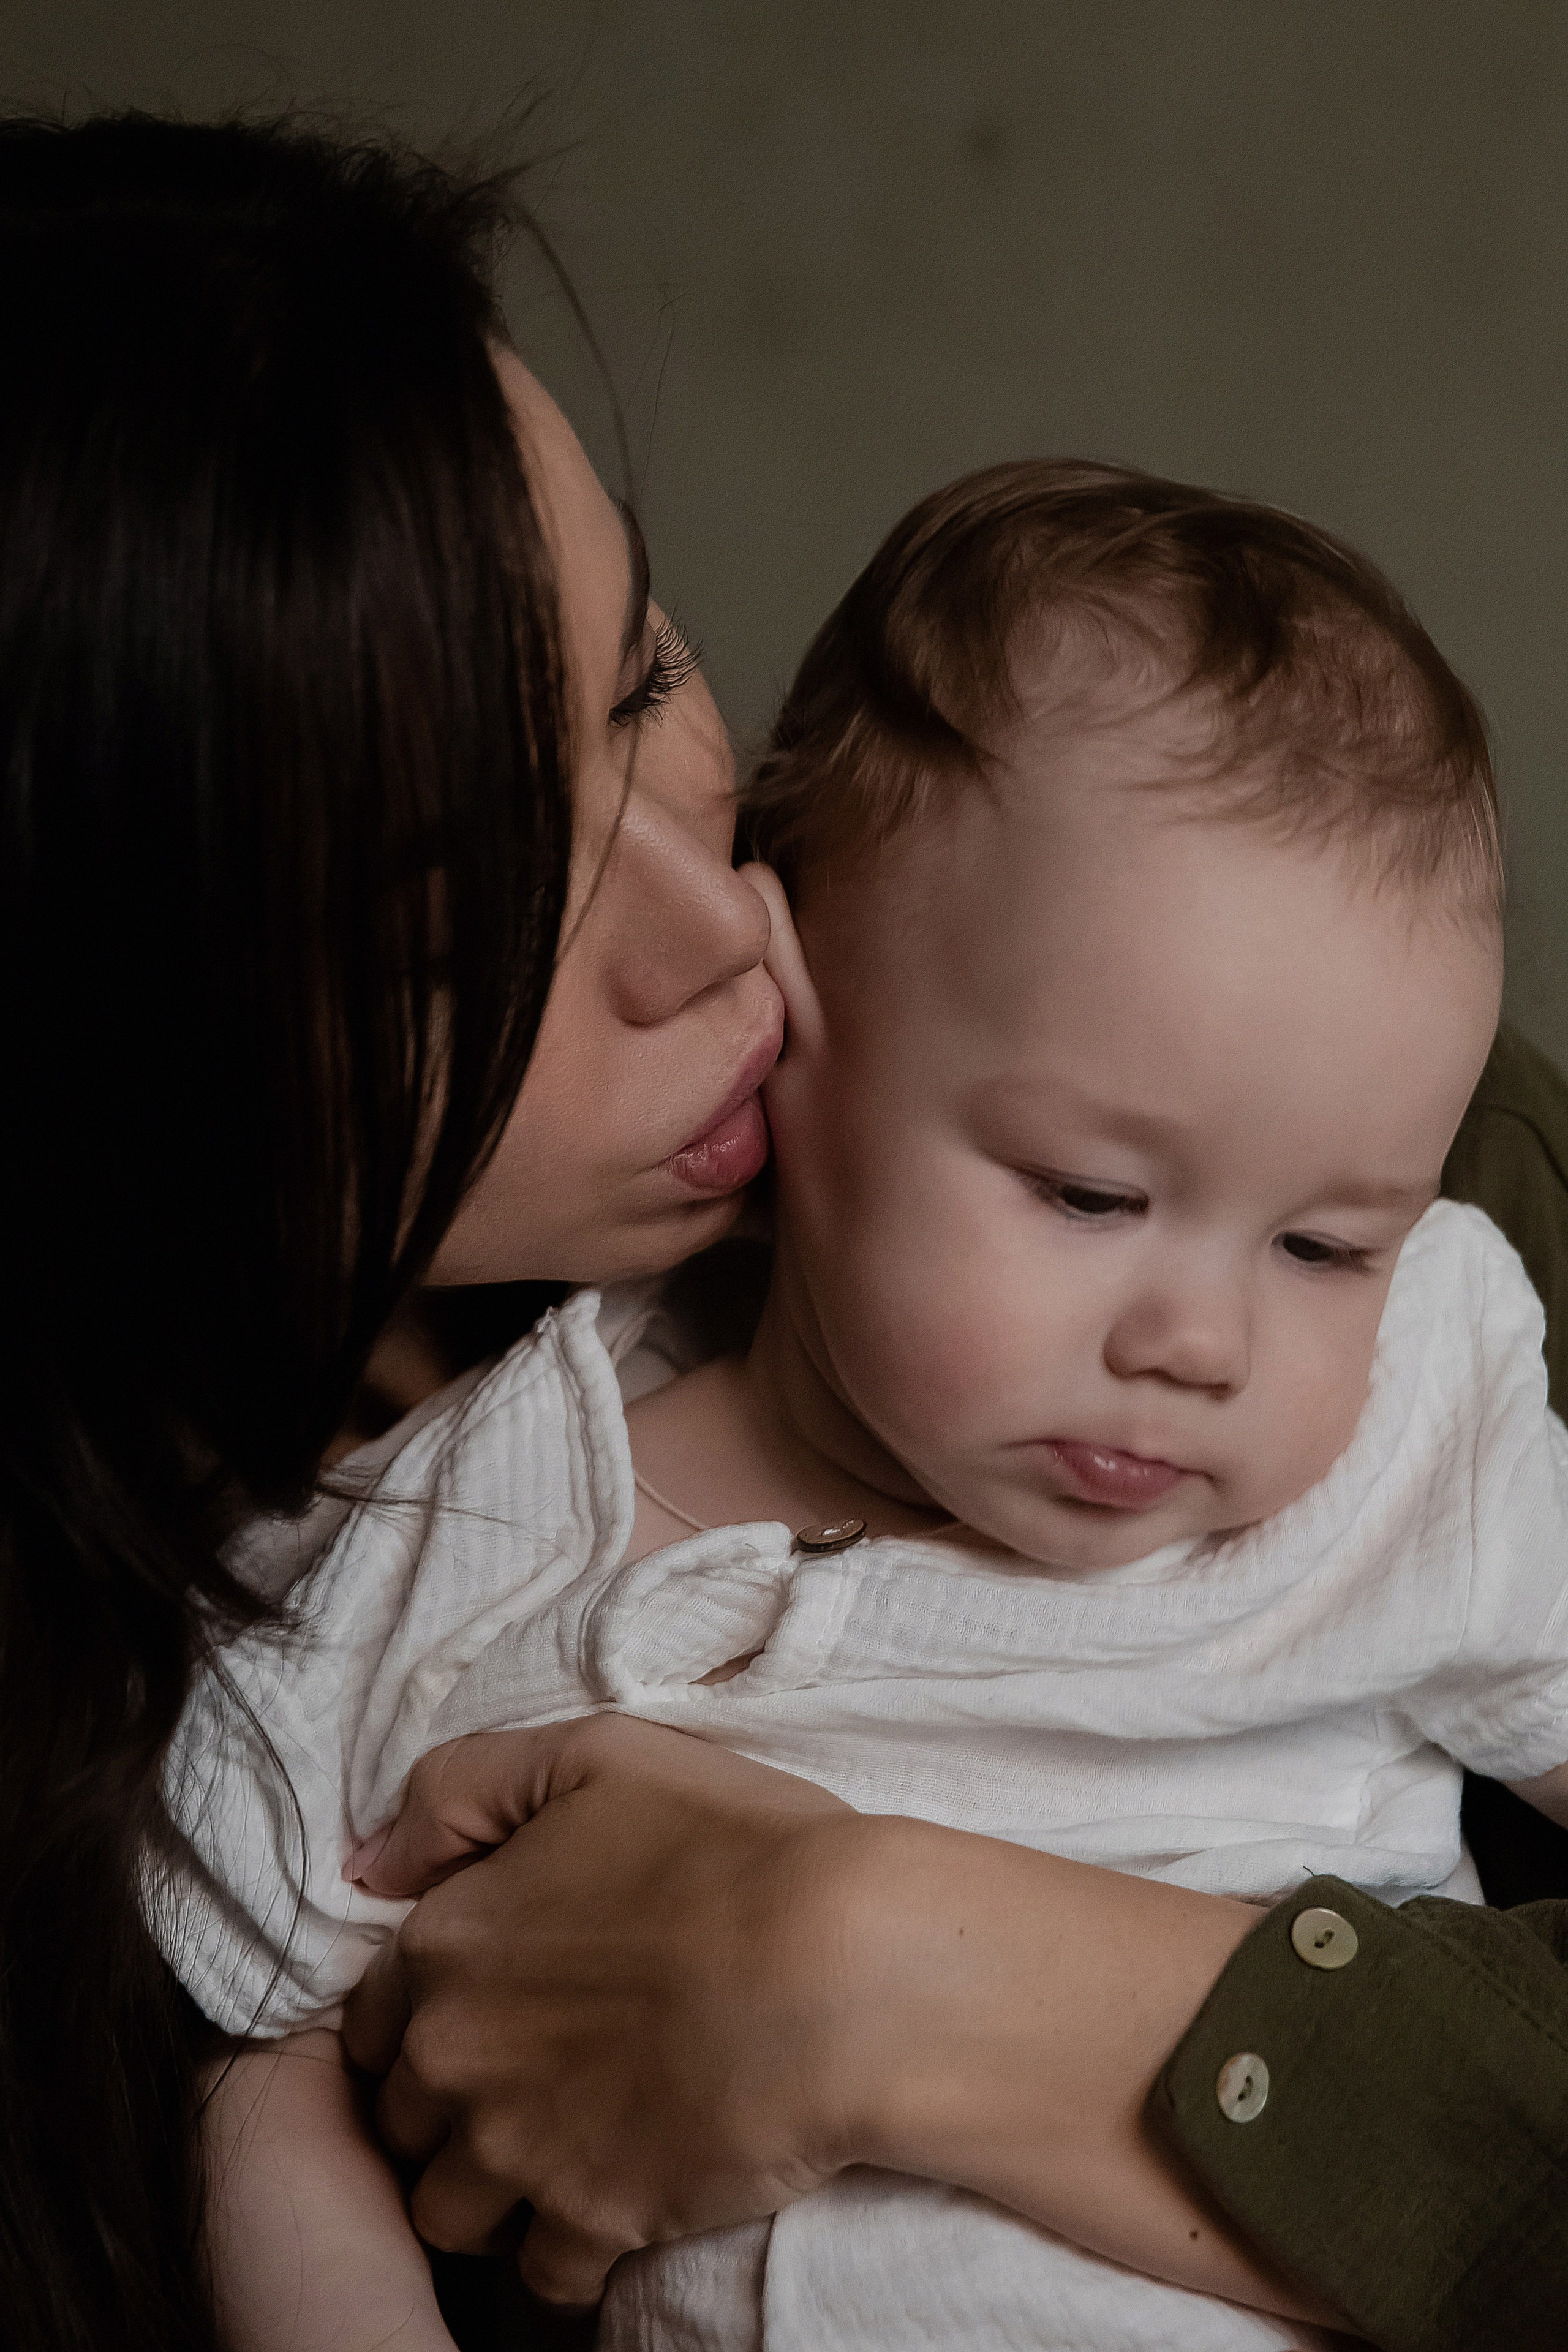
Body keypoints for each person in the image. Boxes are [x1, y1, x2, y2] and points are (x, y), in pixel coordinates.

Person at [2, 105, 1561, 2352]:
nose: (717, 925)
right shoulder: (392, 1580)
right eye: (459, 936)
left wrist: (885, 1976)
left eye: (647, 680)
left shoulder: (1342, 1190)